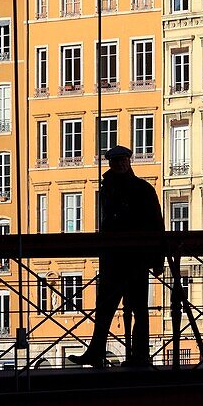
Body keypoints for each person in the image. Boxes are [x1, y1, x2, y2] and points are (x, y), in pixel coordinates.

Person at [69, 146, 164, 368]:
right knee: (110, 308)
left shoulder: (137, 189)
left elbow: (156, 225)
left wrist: (157, 259)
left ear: (128, 162)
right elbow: (155, 225)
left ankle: (132, 354)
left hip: (127, 257)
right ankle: (117, 353)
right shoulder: (128, 189)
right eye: (116, 161)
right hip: (122, 257)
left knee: (133, 308)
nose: (120, 164)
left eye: (122, 160)